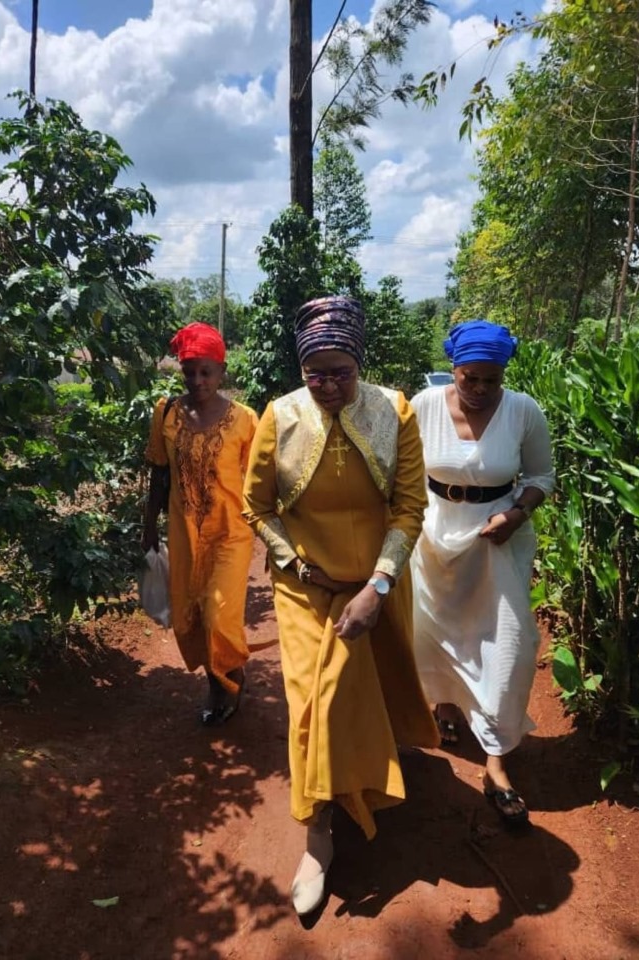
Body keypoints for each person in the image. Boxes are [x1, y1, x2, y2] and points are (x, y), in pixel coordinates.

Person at [242, 295, 439, 916]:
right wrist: (296, 564)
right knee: (315, 705)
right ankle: (319, 834)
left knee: (372, 687)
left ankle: (370, 774)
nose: (327, 385)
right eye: (314, 372)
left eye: (340, 372)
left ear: (360, 362)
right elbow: (258, 505)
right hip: (306, 589)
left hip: (377, 584)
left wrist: (378, 586)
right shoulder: (279, 417)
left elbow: (410, 508)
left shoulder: (395, 411)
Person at [410, 319, 555, 825]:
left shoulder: (522, 411)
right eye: (469, 378)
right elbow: (401, 472)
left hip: (498, 541)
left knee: (506, 647)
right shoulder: (423, 407)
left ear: (503, 375)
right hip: (432, 538)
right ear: (453, 369)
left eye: (490, 380)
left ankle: (495, 762)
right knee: (435, 634)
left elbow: (540, 475)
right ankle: (446, 710)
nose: (479, 390)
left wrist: (516, 515)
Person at [142, 322, 257, 726]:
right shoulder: (167, 413)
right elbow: (159, 473)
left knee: (218, 615)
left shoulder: (245, 420)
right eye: (189, 371)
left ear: (221, 372)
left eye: (206, 371)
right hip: (184, 530)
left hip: (232, 532)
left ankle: (227, 678)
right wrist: (149, 525)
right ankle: (217, 678)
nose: (197, 380)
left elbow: (257, 481)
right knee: (190, 615)